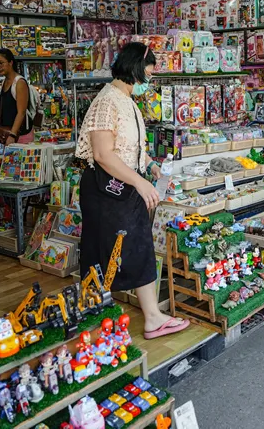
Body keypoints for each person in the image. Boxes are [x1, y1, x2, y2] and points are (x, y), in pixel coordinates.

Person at [75, 42, 189, 340]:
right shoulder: (107, 101)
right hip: (106, 190)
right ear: (136, 67)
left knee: (139, 247)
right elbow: (102, 154)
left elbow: (128, 147)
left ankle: (152, 317)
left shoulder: (127, 100)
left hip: (125, 186)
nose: (149, 79)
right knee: (106, 252)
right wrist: (139, 181)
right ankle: (97, 319)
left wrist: (149, 165)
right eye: (149, 71)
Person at [0, 49, 34, 145]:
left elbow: (21, 112)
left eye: (1, 63)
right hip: (7, 134)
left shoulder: (19, 83)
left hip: (20, 135)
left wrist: (12, 135)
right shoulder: (4, 82)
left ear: (10, 62)